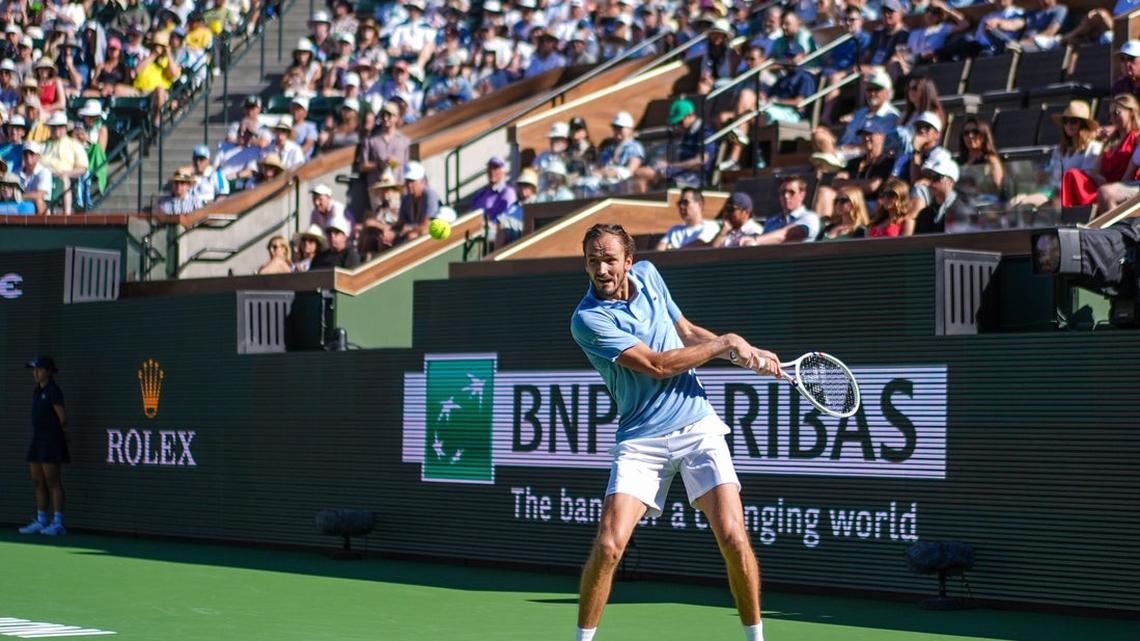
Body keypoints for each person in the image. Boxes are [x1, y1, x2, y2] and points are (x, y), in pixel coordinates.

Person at [570, 223, 778, 641]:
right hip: (641, 439)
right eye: (593, 261)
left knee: (734, 537)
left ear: (629, 261)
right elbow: (658, 365)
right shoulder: (587, 319)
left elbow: (685, 332)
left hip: (697, 426)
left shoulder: (649, 275)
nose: (601, 269)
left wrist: (744, 353)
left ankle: (756, 638)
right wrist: (724, 344)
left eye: (610, 260)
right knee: (610, 545)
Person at [18, 357, 69, 537]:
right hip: (37, 440)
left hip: (51, 441)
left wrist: (55, 435)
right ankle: (41, 520)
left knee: (53, 482)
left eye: (38, 369)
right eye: (34, 370)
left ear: (48, 371)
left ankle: (58, 523)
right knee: (38, 481)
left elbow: (63, 419)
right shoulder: (37, 391)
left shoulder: (54, 391)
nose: (35, 373)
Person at [1064, 95, 1140, 207]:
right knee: (1073, 175)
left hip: (1124, 187)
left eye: (1117, 113)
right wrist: (1098, 178)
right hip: (1104, 186)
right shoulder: (1110, 142)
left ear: (1131, 112)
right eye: (1110, 115)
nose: (1112, 118)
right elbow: (1096, 171)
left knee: (1105, 192)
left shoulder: (1136, 137)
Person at [914, 155, 976, 234]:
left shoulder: (961, 210)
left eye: (936, 178)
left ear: (951, 182)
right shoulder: (925, 213)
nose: (931, 183)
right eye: (929, 177)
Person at [754, 176, 822, 244]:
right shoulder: (772, 221)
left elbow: (786, 235)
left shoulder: (810, 218)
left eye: (791, 192)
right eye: (783, 192)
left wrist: (755, 240)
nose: (786, 196)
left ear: (802, 195)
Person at [470, 156, 517, 238]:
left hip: (494, 233)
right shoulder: (482, 192)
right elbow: (471, 212)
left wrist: (487, 224)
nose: (492, 172)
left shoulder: (508, 192)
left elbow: (504, 218)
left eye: (495, 169)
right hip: (475, 229)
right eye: (490, 169)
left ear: (503, 172)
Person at [396, 161, 439, 242]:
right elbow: (400, 223)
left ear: (422, 182)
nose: (409, 185)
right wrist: (389, 231)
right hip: (413, 233)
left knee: (412, 236)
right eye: (407, 181)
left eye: (412, 181)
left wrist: (410, 229)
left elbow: (428, 225)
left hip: (435, 235)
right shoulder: (406, 198)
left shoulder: (430, 194)